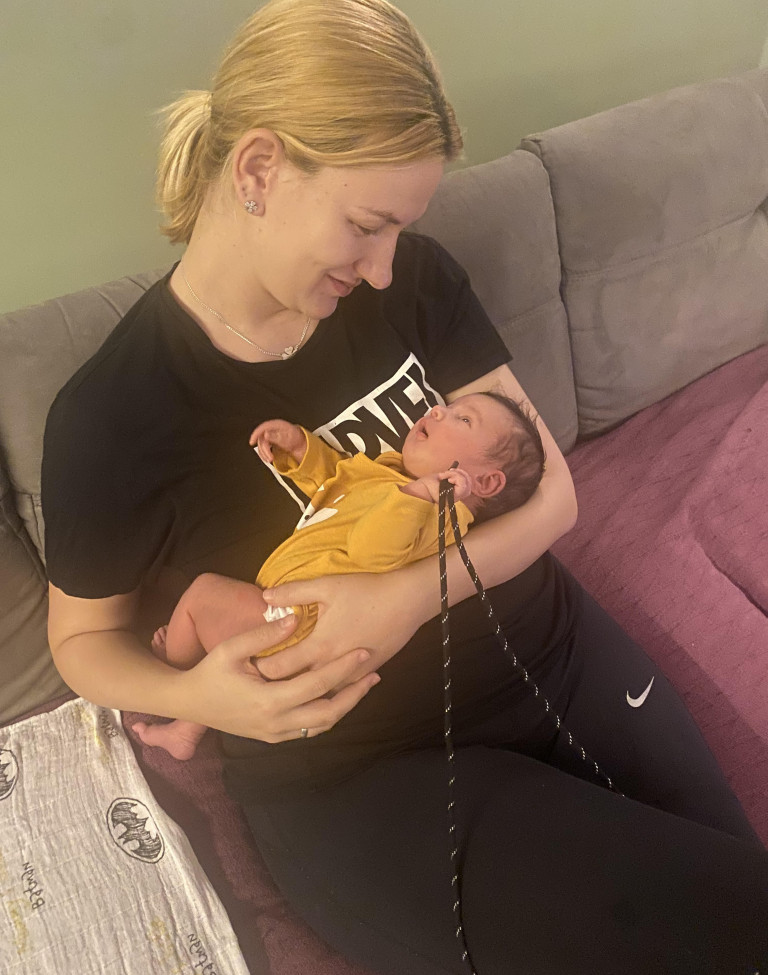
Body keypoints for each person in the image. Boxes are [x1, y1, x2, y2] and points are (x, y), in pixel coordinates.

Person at [41, 1, 768, 973]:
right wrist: (199, 694)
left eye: (400, 232)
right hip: (365, 772)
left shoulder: (416, 280)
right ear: (257, 170)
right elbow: (82, 643)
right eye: (367, 226)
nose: (385, 270)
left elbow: (551, 493)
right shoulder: (112, 415)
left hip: (549, 653)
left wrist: (400, 601)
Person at [132, 392, 546, 760]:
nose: (437, 410)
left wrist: (419, 495)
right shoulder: (393, 475)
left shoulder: (441, 514)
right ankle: (187, 729)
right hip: (287, 608)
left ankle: (180, 683)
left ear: (485, 481)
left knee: (201, 595)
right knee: (217, 619)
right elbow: (337, 482)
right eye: (448, 407)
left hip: (301, 623)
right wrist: (301, 449)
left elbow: (372, 550)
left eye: (463, 419)